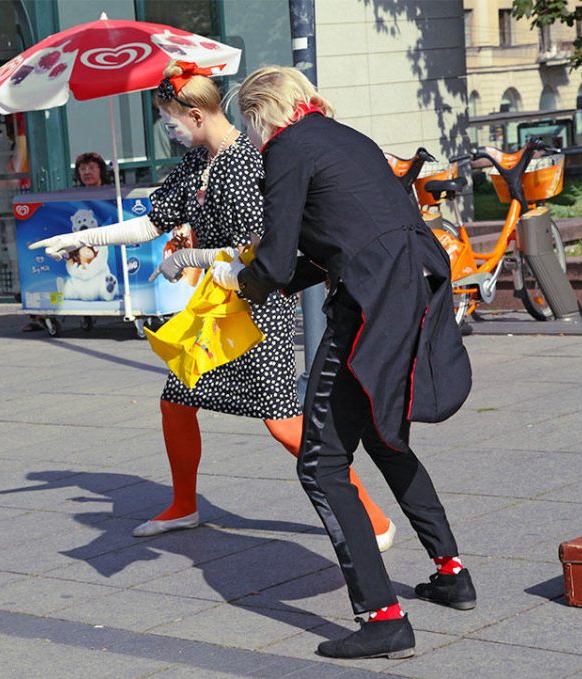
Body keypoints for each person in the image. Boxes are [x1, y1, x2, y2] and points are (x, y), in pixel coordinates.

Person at [29, 60, 395, 549]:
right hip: (213, 307)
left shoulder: (247, 159)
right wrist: (76, 239)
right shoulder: (198, 163)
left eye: (170, 121)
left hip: (257, 306)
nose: (169, 131)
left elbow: (256, 253)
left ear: (196, 115)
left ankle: (373, 519)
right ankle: (184, 506)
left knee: (285, 424)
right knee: (175, 402)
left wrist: (188, 256)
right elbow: (149, 223)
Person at [212, 66, 476, 660]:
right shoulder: (345, 137)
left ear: (261, 116)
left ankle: (383, 618)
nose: (252, 142)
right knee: (386, 438)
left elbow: (277, 265)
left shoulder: (285, 149)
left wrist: (239, 277)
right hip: (415, 290)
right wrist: (257, 274)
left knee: (321, 463)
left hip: (368, 308)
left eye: (251, 129)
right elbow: (336, 244)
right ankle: (452, 573)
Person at [22, 150, 113, 333]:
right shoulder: (74, 198)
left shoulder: (112, 194)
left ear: (101, 171)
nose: (87, 172)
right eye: (82, 168)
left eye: (91, 168)